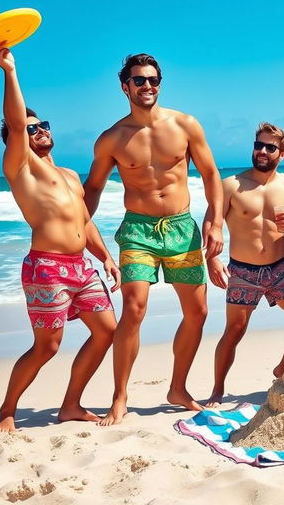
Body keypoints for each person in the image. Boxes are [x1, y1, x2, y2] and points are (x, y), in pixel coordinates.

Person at [0, 38, 120, 433]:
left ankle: (71, 405)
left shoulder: (70, 176)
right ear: (17, 139)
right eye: (31, 128)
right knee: (47, 346)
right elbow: (14, 121)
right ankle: (7, 409)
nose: (39, 130)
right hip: (47, 268)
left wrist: (105, 256)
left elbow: (84, 221)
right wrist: (10, 71)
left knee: (107, 330)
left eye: (43, 125)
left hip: (82, 266)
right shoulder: (21, 170)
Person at [84, 53, 223, 422]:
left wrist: (217, 221)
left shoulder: (185, 125)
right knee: (134, 308)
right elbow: (93, 188)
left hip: (182, 229)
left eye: (152, 80)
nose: (147, 86)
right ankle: (120, 397)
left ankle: (177, 387)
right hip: (138, 231)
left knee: (198, 311)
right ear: (124, 86)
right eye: (139, 80)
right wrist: (75, 225)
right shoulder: (112, 139)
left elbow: (211, 176)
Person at [205, 123, 284, 407]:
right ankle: (217, 391)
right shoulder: (232, 185)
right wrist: (212, 258)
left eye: (271, 147)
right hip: (243, 270)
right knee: (234, 331)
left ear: (282, 154)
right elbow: (212, 223)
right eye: (259, 145)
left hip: (281, 268)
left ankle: (282, 368)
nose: (263, 151)